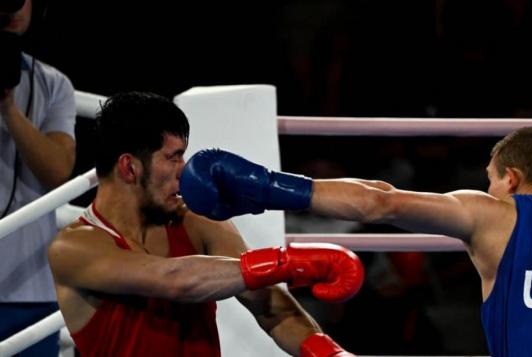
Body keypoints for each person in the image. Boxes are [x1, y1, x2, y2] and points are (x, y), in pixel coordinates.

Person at [180, 126, 532, 356]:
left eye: (493, 179)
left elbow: (378, 201)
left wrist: (266, 188)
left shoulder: (493, 214)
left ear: (510, 178)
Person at [47, 92, 362, 357]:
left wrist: (328, 352)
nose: (184, 171)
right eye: (173, 158)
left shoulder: (194, 221)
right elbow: (175, 280)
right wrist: (287, 262)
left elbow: (270, 306)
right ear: (130, 167)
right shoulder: (75, 246)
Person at [0, 0, 76, 354]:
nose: (12, 7)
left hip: (29, 289)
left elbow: (59, 171)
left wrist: (9, 109)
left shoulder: (53, 84)